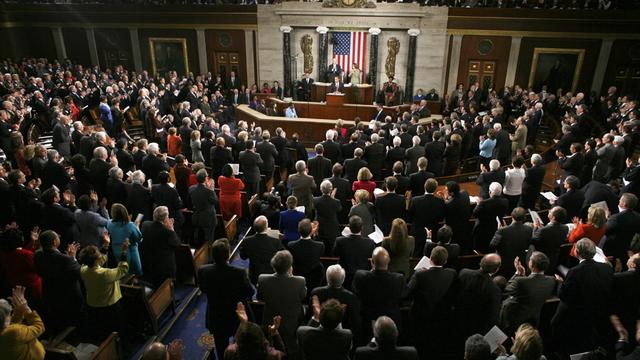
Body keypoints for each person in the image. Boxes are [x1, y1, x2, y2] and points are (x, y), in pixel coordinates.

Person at [551, 239, 613, 355]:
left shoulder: (574, 272)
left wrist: (560, 282)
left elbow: (564, 295)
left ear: (577, 252)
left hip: (579, 315)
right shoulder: (606, 268)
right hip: (600, 313)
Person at [199, 239, 254, 360]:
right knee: (241, 345)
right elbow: (250, 291)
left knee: (220, 347)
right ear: (228, 254)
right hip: (236, 316)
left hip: (216, 315)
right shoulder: (239, 273)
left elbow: (203, 289)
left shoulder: (203, 271)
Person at [406, 246, 457, 360]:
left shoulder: (420, 274)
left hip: (421, 318)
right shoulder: (451, 273)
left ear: (430, 259)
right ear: (446, 261)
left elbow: (407, 292)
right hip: (442, 318)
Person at [257, 250, 306, 359]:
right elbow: (303, 297)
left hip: (269, 324)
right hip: (291, 326)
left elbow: (259, 297)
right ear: (290, 266)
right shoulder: (300, 281)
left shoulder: (263, 279)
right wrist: (292, 276)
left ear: (273, 265)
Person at [79, 236, 129, 341]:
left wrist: (106, 245)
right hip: (110, 307)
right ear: (96, 259)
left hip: (93, 306)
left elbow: (97, 261)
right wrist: (124, 253)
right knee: (116, 329)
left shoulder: (83, 269)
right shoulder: (104, 274)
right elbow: (122, 270)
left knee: (102, 330)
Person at [34, 230, 83, 334]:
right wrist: (73, 257)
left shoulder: (37, 255)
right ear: (54, 242)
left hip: (49, 292)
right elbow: (79, 272)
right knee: (71, 321)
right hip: (68, 294)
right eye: (57, 237)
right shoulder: (66, 260)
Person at [500, 252, 556, 336]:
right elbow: (532, 286)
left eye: (530, 259)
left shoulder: (520, 281)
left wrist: (517, 273)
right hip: (534, 320)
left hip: (515, 320)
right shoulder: (552, 280)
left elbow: (506, 290)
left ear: (532, 265)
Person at [455, 254, 502, 339]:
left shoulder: (464, 273)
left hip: (456, 322)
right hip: (476, 331)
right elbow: (492, 317)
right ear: (496, 270)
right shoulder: (494, 289)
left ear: (480, 263)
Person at [0, 286, 45, 360]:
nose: (11, 315)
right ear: (5, 318)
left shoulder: (5, 331)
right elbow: (39, 327)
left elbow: (12, 323)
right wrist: (25, 307)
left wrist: (18, 310)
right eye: (10, 313)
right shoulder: (14, 332)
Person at [140, 206, 180, 288]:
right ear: (165, 219)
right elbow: (177, 244)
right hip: (165, 267)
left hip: (149, 262)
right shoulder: (168, 232)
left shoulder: (145, 225)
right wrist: (172, 229)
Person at [334, 215, 376, 288]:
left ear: (349, 228)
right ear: (362, 228)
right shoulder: (370, 243)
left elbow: (334, 254)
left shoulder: (340, 241)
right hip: (363, 277)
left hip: (345, 277)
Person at [239, 216, 285, 284]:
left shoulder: (246, 241)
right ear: (266, 227)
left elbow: (243, 257)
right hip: (271, 274)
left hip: (254, 275)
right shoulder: (276, 241)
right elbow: (283, 257)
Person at [490, 207, 532, 277]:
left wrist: (499, 232)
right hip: (520, 261)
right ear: (524, 218)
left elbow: (492, 245)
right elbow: (529, 244)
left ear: (511, 216)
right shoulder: (529, 229)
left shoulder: (502, 231)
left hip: (504, 261)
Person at [409, 178, 446, 256]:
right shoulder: (440, 202)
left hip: (417, 232)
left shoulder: (415, 200)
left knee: (416, 254)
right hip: (433, 231)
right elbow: (441, 218)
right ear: (436, 189)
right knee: (431, 255)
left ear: (424, 187)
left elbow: (410, 216)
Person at [353, 316, 418, 360]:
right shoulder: (411, 353)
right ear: (397, 334)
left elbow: (366, 352)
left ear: (375, 337)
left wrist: (371, 343)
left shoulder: (361, 354)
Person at [287, 219, 325, 292]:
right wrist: (314, 234)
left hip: (297, 278)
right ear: (311, 231)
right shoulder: (320, 246)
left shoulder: (291, 245)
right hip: (313, 280)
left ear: (298, 230)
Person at [601, 192, 640, 263]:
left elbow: (604, 230)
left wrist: (606, 218)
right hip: (625, 248)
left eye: (620, 200)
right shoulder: (638, 217)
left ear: (624, 204)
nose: (619, 201)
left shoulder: (616, 218)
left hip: (610, 249)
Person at [472, 182, 509, 253]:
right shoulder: (505, 201)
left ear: (490, 192)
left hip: (482, 228)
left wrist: (478, 204)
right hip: (496, 226)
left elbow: (475, 214)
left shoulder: (483, 203)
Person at [107, 203, 143, 275]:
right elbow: (139, 238)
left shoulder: (109, 223)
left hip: (116, 251)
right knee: (135, 273)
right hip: (131, 252)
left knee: (122, 272)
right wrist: (137, 226)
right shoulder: (130, 225)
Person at [531, 206, 569, 274]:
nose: (549, 211)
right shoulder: (565, 228)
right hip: (554, 257)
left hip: (540, 257)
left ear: (553, 217)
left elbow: (533, 239)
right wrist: (542, 229)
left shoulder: (543, 230)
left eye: (551, 211)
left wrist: (535, 227)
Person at [189, 169, 218, 247]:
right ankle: (209, 256)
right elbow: (216, 202)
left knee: (199, 237)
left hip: (197, 217)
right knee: (209, 239)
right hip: (208, 218)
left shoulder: (191, 188)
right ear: (205, 178)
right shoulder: (209, 191)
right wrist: (211, 189)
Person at [314, 180, 342, 255]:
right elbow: (339, 209)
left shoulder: (315, 200)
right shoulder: (336, 202)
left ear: (321, 189)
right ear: (331, 189)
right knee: (331, 251)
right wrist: (332, 198)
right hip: (332, 229)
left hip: (320, 228)